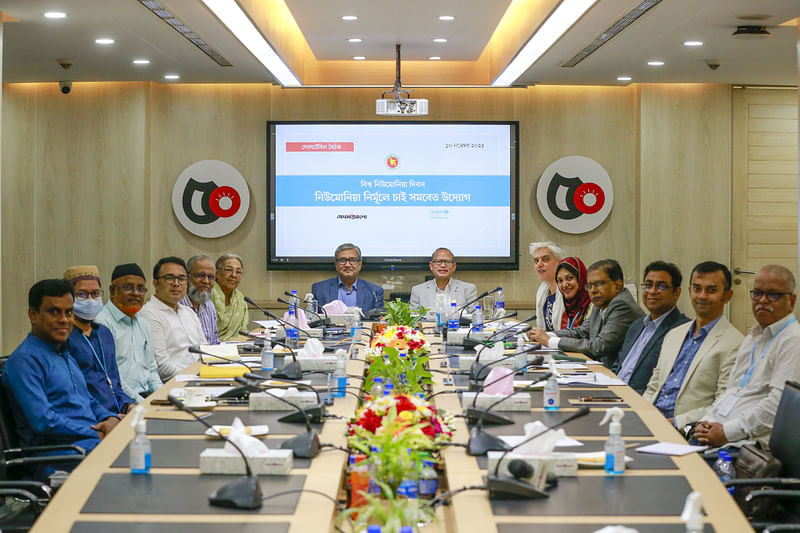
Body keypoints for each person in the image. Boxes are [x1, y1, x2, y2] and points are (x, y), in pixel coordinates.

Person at [2, 279, 120, 479]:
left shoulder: (64, 353)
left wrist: (110, 418)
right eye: (54, 312)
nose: (64, 319)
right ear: (33, 315)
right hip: (56, 456)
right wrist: (94, 432)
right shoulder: (24, 361)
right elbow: (43, 421)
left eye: (69, 312)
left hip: (87, 445)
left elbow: (87, 400)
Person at [694, 265, 800, 446]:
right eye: (757, 293)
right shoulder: (754, 335)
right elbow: (732, 391)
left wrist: (727, 432)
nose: (762, 300)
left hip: (747, 447)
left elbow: (778, 406)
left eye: (773, 294)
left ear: (791, 300)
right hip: (718, 434)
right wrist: (706, 420)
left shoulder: (793, 340)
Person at [643, 262, 742, 427]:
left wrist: (673, 423)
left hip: (685, 429)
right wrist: (641, 414)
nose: (702, 296)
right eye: (697, 289)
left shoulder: (735, 344)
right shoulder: (674, 335)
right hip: (651, 421)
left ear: (727, 296)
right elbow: (654, 386)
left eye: (711, 290)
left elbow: (722, 405)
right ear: (689, 291)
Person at [529, 259, 644, 367]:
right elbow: (581, 331)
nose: (593, 290)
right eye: (589, 285)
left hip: (619, 375)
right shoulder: (602, 303)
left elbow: (598, 347)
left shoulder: (621, 305)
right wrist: (544, 335)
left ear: (618, 285)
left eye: (599, 284)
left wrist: (549, 341)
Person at [63, 266, 135, 416]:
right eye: (82, 294)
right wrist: (109, 418)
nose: (90, 299)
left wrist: (128, 406)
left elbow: (115, 383)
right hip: (92, 418)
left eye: (95, 294)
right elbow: (74, 393)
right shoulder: (64, 338)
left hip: (118, 414)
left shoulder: (104, 333)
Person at [614, 261, 691, 394]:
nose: (652, 291)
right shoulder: (636, 326)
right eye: (648, 285)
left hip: (641, 402)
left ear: (676, 292)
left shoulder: (682, 330)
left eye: (661, 286)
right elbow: (618, 365)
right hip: (613, 395)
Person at [95, 263, 163, 401]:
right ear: (113, 290)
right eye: (128, 287)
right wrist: (141, 403)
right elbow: (110, 376)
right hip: (120, 401)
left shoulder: (143, 323)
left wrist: (163, 396)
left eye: (141, 289)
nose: (136, 293)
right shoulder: (102, 323)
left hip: (146, 398)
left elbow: (151, 370)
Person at [139, 257, 205, 381]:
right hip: (175, 384)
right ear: (155, 283)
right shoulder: (149, 314)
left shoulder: (188, 312)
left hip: (201, 378)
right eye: (169, 278)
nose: (176, 283)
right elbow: (162, 367)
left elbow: (205, 350)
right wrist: (194, 379)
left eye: (181, 279)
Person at [312, 243, 384, 314]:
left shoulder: (374, 291)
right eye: (342, 260)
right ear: (336, 264)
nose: (347, 265)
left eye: (352, 260)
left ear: (360, 264)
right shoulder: (319, 289)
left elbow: (378, 320)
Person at [409, 248, 477, 313]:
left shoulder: (468, 289)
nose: (443, 265)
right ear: (431, 266)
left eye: (447, 262)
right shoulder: (418, 290)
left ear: (454, 266)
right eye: (438, 262)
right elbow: (413, 318)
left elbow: (476, 315)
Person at [180, 254, 219, 344]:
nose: (206, 281)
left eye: (211, 277)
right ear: (187, 276)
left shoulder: (209, 306)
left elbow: (214, 342)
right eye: (200, 275)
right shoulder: (177, 306)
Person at [211, 253, 250, 341]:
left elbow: (243, 332)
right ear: (216, 273)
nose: (234, 275)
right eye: (229, 270)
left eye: (238, 272)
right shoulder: (206, 296)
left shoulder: (240, 298)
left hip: (237, 347)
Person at [530, 242, 567, 331]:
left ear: (559, 262)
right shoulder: (542, 290)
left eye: (545, 259)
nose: (539, 264)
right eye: (536, 261)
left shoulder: (567, 291)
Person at [554, 257, 592, 330]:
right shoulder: (566, 311)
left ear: (581, 279)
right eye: (560, 281)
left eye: (570, 278)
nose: (564, 285)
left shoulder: (593, 307)